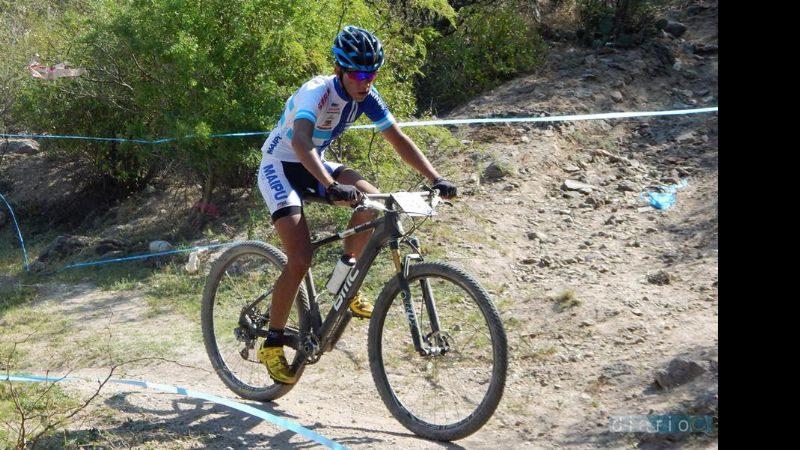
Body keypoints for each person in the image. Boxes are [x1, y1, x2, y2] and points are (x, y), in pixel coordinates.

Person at [256, 26, 457, 384]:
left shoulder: (366, 96)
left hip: (314, 162)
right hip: (281, 166)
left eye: (372, 74)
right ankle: (272, 342)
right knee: (301, 258)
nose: (366, 82)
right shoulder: (316, 93)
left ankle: (344, 282)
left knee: (371, 201)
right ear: (340, 70)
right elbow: (301, 141)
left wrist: (435, 177)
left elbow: (397, 138)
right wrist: (332, 185)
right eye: (359, 74)